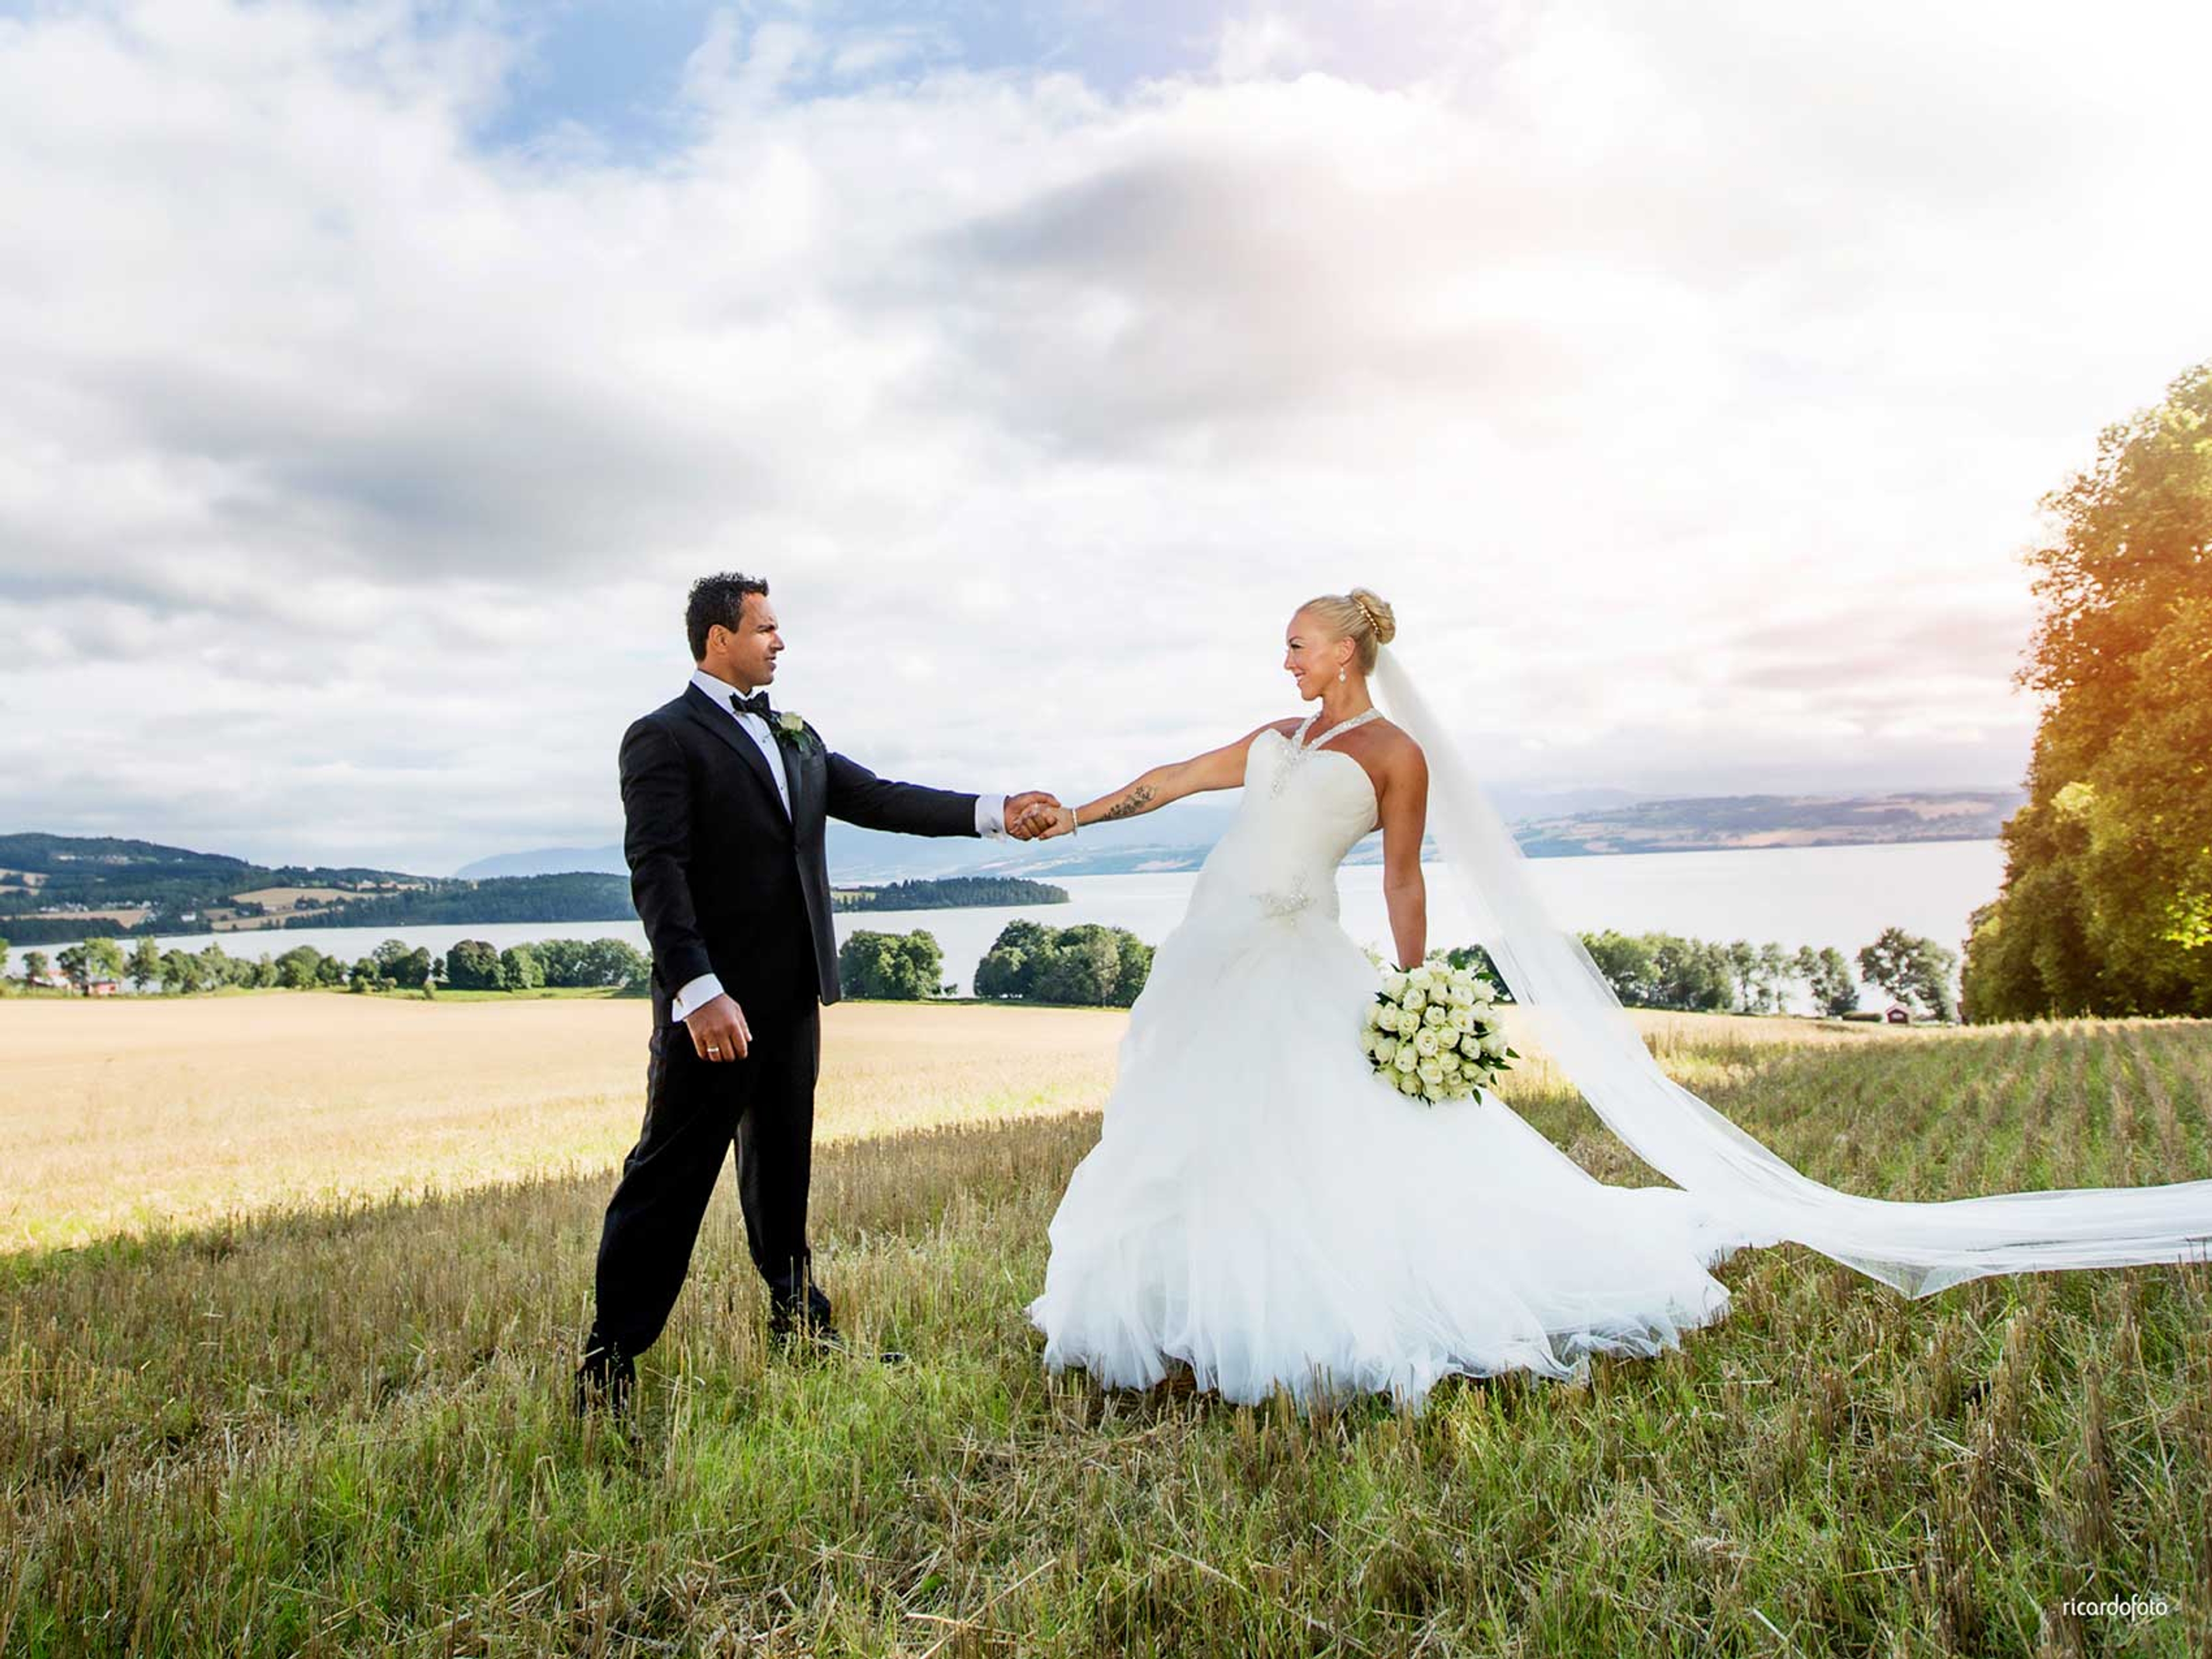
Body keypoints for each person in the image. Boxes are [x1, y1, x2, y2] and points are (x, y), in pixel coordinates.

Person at [1017, 586, 2212, 1410]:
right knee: (1196, 1129)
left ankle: (1294, 1316)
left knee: (1313, 1132)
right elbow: (1173, 782)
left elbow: (1398, 877)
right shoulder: (1275, 731)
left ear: (1346, 652)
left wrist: (1419, 987)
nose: (1284, 659)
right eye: (1286, 645)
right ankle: (1178, 1315)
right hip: (1210, 952)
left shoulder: (1393, 754)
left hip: (1294, 954)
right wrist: (1073, 815)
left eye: (1297, 643)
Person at [577, 573, 1059, 1418]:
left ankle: (800, 1327)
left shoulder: (797, 737)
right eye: (765, 628)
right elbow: (657, 871)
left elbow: (879, 798)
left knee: (783, 1173)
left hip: (794, 997)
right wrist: (697, 989)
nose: (779, 642)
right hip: (712, 1012)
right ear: (718, 637)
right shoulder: (662, 738)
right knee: (667, 1180)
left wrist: (996, 810)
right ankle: (608, 1366)